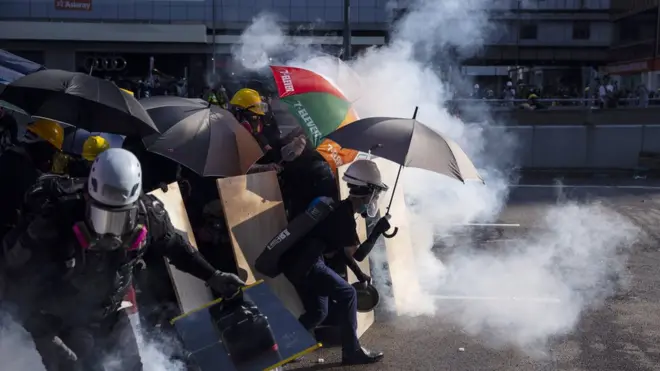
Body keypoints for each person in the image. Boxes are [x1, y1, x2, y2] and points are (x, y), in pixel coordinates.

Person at [1, 148, 245, 371]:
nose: (111, 232)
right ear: (87, 199)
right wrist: (44, 335)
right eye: (103, 217)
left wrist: (213, 275)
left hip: (110, 312)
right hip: (58, 321)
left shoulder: (148, 214)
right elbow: (10, 283)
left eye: (120, 220)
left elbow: (174, 245)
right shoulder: (54, 223)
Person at [279, 159, 391, 365]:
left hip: (299, 264)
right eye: (375, 192)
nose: (375, 197)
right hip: (308, 265)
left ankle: (285, 350)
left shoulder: (341, 210)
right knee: (348, 294)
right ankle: (352, 351)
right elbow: (357, 254)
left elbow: (343, 252)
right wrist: (377, 231)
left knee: (318, 311)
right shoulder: (343, 216)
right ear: (368, 192)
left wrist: (359, 275)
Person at [0, 118, 63, 239]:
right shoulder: (24, 170)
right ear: (43, 145)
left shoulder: (12, 156)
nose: (50, 158)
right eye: (51, 151)